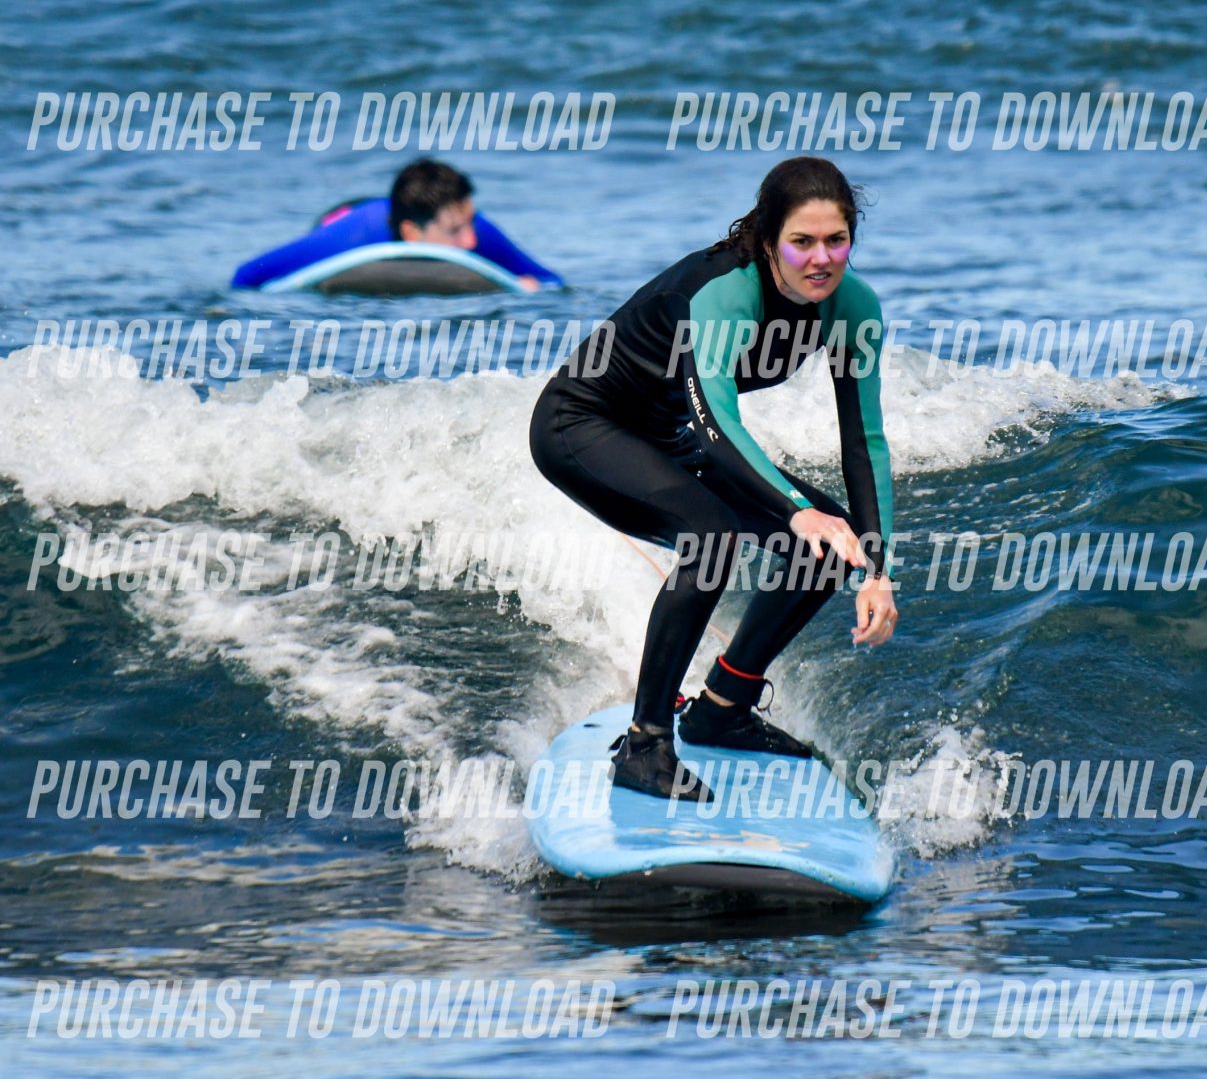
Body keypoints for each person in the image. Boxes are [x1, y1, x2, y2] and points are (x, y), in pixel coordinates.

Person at [529, 157, 898, 800]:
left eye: (836, 240)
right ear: (768, 240)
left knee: (832, 545)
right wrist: (796, 511)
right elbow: (716, 425)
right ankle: (645, 745)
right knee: (713, 538)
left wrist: (877, 569)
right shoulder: (724, 294)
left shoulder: (852, 307)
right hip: (582, 424)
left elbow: (863, 443)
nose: (821, 259)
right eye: (802, 241)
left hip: (667, 435)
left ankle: (723, 708)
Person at [230, 157, 563, 290]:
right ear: (411, 234)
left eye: (469, 222)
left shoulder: (479, 231)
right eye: (454, 231)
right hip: (344, 216)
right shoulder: (352, 236)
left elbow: (551, 281)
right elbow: (246, 276)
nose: (470, 241)